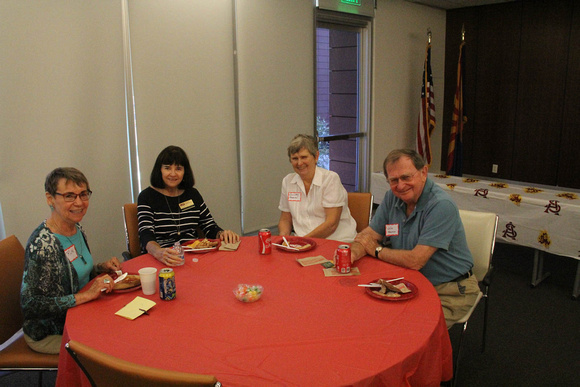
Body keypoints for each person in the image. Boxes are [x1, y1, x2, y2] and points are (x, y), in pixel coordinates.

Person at [351, 149, 479, 328]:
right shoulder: (392, 198)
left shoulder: (441, 205)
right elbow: (368, 236)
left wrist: (377, 250)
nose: (400, 186)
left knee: (407, 330)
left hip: (449, 289)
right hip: (407, 282)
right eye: (394, 180)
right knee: (365, 314)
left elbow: (416, 260)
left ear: (423, 172)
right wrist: (350, 254)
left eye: (406, 177)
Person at [20, 168, 121, 354]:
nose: (79, 202)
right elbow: (32, 304)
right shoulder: (42, 244)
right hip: (52, 331)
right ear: (50, 199)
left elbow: (73, 275)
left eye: (83, 194)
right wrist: (86, 296)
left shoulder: (76, 228)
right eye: (69, 196)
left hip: (83, 315)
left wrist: (100, 268)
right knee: (113, 344)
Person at [138, 145, 240, 266]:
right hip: (163, 258)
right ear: (159, 170)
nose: (173, 174)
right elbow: (146, 234)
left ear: (185, 171)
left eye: (178, 168)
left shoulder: (192, 194)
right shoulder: (147, 196)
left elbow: (209, 225)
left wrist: (222, 234)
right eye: (167, 168)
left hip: (194, 258)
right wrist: (158, 252)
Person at [278, 134, 357, 243]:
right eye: (295, 158)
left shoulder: (330, 179)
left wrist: (303, 242)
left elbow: (331, 225)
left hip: (335, 241)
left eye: (304, 157)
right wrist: (284, 238)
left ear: (316, 157)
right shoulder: (288, 182)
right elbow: (285, 219)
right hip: (302, 243)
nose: (299, 163)